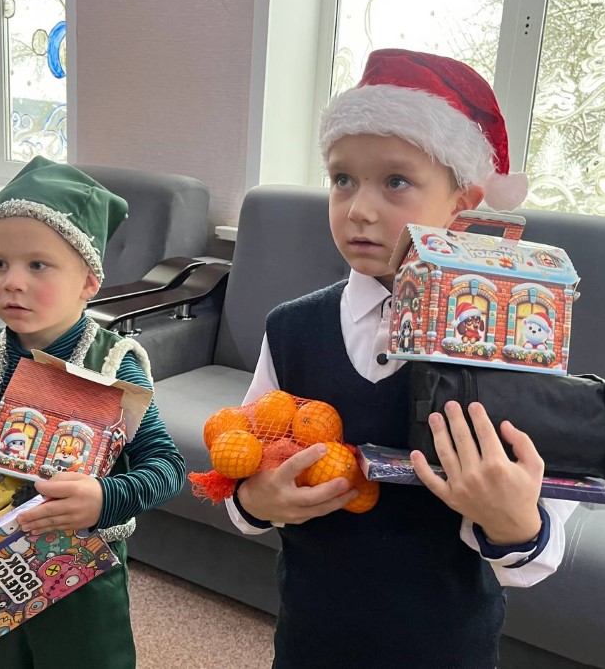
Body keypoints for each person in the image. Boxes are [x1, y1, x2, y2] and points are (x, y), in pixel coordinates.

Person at [226, 49, 577, 668]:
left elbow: (540, 532)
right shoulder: (291, 329)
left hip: (443, 646)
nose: (359, 209)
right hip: (312, 636)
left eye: (395, 182)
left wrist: (516, 522)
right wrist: (254, 501)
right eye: (342, 179)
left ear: (463, 206)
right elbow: (249, 452)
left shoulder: (514, 340)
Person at [0, 156, 186, 669]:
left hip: (81, 582)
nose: (12, 281)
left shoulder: (116, 366)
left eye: (38, 265)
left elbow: (167, 467)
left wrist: (105, 497)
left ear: (88, 282)